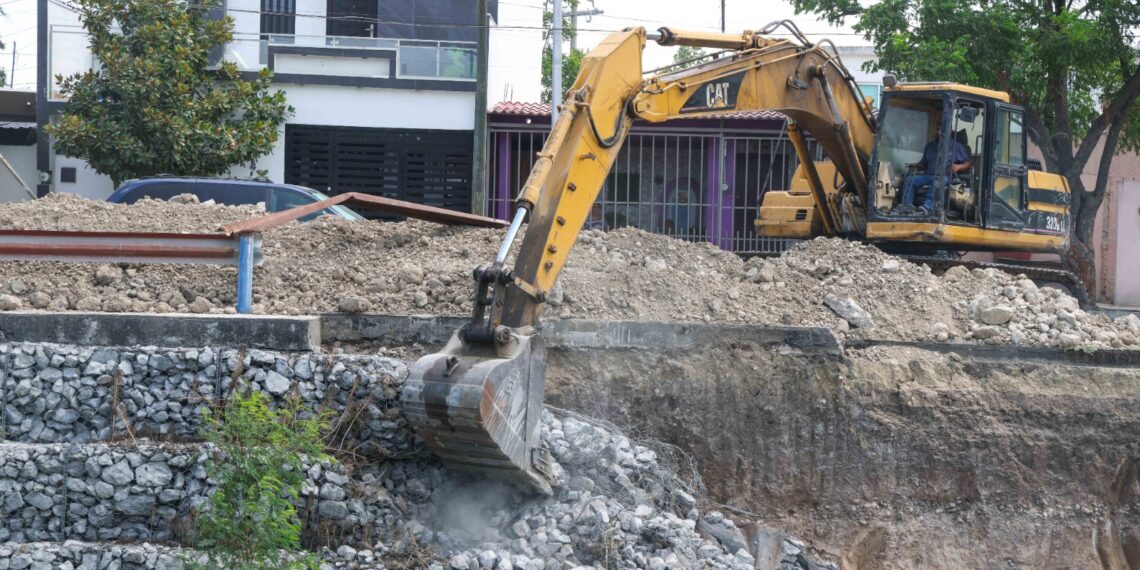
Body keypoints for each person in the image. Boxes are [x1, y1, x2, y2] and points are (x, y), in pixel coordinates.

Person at [896, 125, 972, 215]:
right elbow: (924, 164)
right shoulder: (930, 145)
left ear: (950, 131)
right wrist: (916, 165)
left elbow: (968, 164)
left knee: (938, 181)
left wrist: (959, 167)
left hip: (946, 176)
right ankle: (907, 206)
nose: (939, 132)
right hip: (928, 175)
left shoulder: (957, 147)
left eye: (942, 130)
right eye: (937, 129)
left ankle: (928, 207)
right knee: (909, 180)